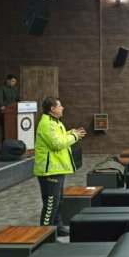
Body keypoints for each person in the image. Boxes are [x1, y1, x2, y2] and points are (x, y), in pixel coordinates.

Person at [34, 97, 86, 236]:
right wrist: (74, 137)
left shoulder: (56, 122)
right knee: (50, 205)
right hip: (49, 172)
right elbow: (57, 144)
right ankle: (45, 235)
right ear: (52, 109)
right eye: (60, 106)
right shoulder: (47, 124)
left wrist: (71, 133)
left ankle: (58, 227)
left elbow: (60, 137)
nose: (62, 108)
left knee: (58, 202)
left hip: (56, 169)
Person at [0, 74, 21, 141]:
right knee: (5, 129)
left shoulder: (15, 89)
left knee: (14, 129)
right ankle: (5, 144)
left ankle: (13, 144)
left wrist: (22, 104)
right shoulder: (1, 88)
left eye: (15, 82)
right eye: (12, 81)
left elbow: (19, 99)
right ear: (8, 80)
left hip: (14, 112)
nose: (14, 83)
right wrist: (1, 105)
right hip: (4, 112)